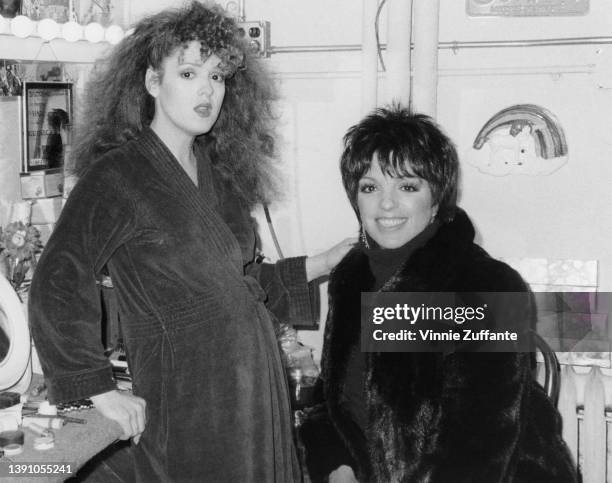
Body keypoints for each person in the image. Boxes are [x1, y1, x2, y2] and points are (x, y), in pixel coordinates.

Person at [29, 2, 354, 481]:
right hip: (187, 394)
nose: (208, 90)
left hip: (252, 384)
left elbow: (235, 282)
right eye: (188, 72)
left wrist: (322, 262)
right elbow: (57, 280)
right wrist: (98, 388)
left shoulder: (217, 174)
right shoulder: (117, 176)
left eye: (218, 76)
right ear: (152, 82)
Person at [299, 105, 578, 483]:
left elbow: (480, 448)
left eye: (408, 186)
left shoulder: (485, 285)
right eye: (370, 187)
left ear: (436, 200)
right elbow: (330, 404)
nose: (386, 204)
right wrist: (337, 466)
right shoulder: (352, 278)